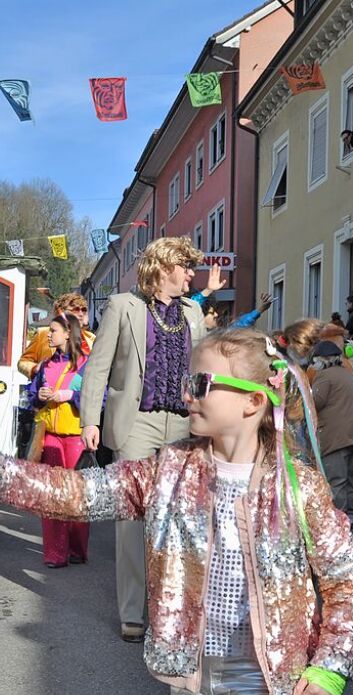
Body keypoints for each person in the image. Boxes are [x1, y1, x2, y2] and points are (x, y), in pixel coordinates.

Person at [0, 327, 353, 695]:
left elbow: (346, 576)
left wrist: (333, 662)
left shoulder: (296, 485)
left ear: (253, 401)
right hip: (190, 672)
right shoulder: (170, 468)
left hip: (262, 681)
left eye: (201, 385)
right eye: (187, 383)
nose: (187, 396)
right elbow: (84, 492)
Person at [79, 236, 207, 643]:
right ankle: (133, 611)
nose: (191, 274)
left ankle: (173, 608)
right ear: (165, 266)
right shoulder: (123, 306)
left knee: (181, 519)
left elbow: (206, 371)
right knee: (132, 518)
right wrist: (89, 420)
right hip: (136, 424)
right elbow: (97, 369)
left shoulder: (194, 313)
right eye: (185, 266)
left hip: (184, 424)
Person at [28, 313, 90, 568]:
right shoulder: (45, 364)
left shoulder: (87, 364)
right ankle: (55, 553)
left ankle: (77, 549)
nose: (48, 334)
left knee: (77, 496)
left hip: (76, 436)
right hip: (50, 436)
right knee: (52, 497)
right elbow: (32, 396)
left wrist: (72, 395)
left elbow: (102, 396)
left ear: (68, 333)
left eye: (53, 330)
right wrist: (39, 396)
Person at [310, 340, 353, 523]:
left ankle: (338, 522)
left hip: (338, 436)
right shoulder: (350, 375)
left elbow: (315, 402)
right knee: (351, 479)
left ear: (322, 359)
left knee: (337, 480)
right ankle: (352, 518)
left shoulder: (324, 375)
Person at [16, 292, 96, 378]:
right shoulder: (43, 334)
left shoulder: (91, 338)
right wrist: (35, 369)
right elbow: (23, 362)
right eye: (75, 310)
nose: (81, 314)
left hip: (81, 389)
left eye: (83, 310)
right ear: (61, 313)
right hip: (51, 388)